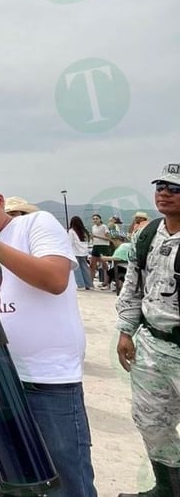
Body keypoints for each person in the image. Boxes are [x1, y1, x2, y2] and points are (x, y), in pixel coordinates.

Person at [0, 173, 96, 497]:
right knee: (15, 482)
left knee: (66, 482)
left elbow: (54, 279)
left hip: (49, 380)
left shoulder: (35, 224)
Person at [116, 163, 180, 497]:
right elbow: (132, 286)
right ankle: (168, 488)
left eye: (175, 189)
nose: (165, 193)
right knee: (152, 422)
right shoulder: (148, 233)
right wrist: (126, 331)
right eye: (161, 187)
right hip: (152, 344)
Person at [68, 216, 95, 290]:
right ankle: (89, 285)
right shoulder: (84, 231)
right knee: (85, 268)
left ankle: (80, 285)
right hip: (84, 252)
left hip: (75, 252)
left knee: (77, 269)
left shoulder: (72, 231)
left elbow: (70, 242)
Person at [89, 213, 112, 288]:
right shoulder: (93, 227)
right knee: (92, 264)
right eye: (94, 219)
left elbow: (108, 238)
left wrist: (97, 236)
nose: (95, 220)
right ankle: (90, 282)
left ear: (100, 219)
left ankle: (106, 282)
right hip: (96, 246)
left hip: (104, 246)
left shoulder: (104, 227)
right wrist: (92, 238)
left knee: (104, 265)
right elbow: (93, 237)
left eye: (96, 219)